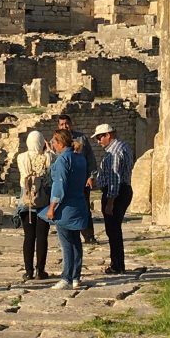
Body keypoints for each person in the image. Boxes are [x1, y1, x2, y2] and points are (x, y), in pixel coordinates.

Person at [39, 129, 87, 290]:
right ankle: (76, 277)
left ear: (59, 143)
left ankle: (66, 277)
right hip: (79, 203)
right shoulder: (79, 158)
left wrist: (52, 207)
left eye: (54, 142)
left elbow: (59, 186)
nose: (52, 145)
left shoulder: (62, 160)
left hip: (65, 206)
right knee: (76, 242)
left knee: (66, 243)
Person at [92, 123, 135, 275]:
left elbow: (114, 179)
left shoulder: (114, 152)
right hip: (124, 190)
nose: (98, 141)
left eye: (100, 137)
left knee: (113, 230)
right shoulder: (124, 146)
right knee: (114, 229)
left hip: (115, 193)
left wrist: (110, 201)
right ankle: (118, 263)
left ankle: (117, 265)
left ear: (108, 135)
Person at [16, 130, 53, 280]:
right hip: (44, 199)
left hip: (27, 200)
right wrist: (48, 149)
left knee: (29, 236)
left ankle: (28, 270)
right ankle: (40, 270)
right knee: (42, 236)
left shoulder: (21, 157)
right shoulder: (48, 157)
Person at [57, 114, 98, 245]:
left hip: (81, 181)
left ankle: (88, 235)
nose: (65, 126)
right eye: (62, 124)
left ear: (71, 124)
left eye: (66, 123)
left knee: (84, 208)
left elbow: (90, 159)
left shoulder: (81, 139)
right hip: (65, 182)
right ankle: (69, 235)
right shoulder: (57, 140)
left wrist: (91, 176)